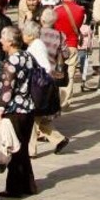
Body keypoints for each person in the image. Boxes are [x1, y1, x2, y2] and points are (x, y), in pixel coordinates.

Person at [0, 26, 38, 198]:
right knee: (23, 147)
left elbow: (7, 87)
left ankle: (14, 187)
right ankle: (28, 184)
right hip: (29, 107)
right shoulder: (27, 56)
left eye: (2, 38)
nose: (0, 41)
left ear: (10, 42)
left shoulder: (12, 61)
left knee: (15, 149)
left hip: (15, 109)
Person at [27, 12, 69, 155]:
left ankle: (31, 150)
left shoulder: (37, 44)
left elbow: (43, 66)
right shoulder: (59, 35)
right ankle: (59, 139)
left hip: (40, 83)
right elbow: (66, 53)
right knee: (39, 118)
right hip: (49, 80)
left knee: (33, 118)